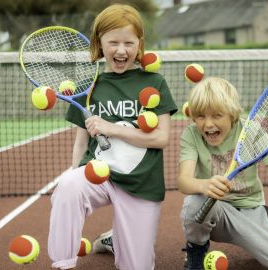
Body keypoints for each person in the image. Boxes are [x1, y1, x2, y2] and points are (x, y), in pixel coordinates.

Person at [47, 4, 177, 270]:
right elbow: (81, 142)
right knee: (68, 186)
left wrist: (112, 128)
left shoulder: (154, 83)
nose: (121, 50)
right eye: (113, 42)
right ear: (99, 43)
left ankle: (114, 239)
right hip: (100, 175)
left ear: (139, 44)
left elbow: (161, 138)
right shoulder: (88, 88)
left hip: (141, 183)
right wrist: (75, 179)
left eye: (129, 43)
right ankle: (63, 263)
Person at [178, 77, 268, 270]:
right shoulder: (191, 135)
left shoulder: (251, 131)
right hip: (214, 211)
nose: (208, 124)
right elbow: (184, 181)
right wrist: (204, 185)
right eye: (200, 116)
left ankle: (259, 242)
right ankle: (196, 251)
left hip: (251, 212)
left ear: (232, 114)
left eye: (216, 115)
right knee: (195, 202)